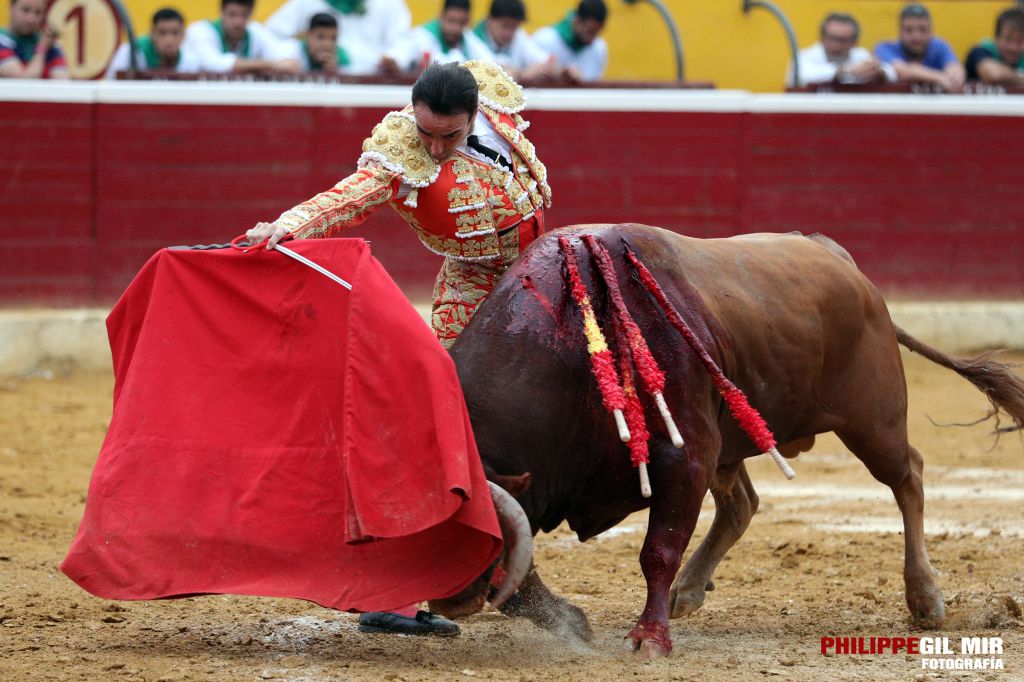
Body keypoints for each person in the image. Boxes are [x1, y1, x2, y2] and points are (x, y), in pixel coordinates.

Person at [245, 61, 550, 635]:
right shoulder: (399, 151)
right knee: (440, 414)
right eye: (425, 133)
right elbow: (350, 196)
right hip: (473, 285)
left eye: (448, 137)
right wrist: (289, 225)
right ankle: (400, 592)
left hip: (541, 272)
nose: (433, 149)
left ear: (476, 115)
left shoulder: (492, 99)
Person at [266, 0, 410, 75]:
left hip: (370, 89)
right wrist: (304, 55)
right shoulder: (307, 2)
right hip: (314, 88)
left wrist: (394, 61)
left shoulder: (389, 3)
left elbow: (402, 45)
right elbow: (271, 37)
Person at [184, 0, 300, 75]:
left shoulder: (255, 30)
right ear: (221, 13)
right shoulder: (200, 30)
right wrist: (270, 65)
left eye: (244, 15)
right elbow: (213, 64)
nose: (238, 22)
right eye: (232, 14)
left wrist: (283, 64)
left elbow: (286, 59)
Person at [874, 3, 964, 92]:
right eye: (909, 30)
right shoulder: (885, 48)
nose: (916, 37)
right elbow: (901, 70)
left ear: (931, 31)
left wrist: (955, 77)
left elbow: (954, 66)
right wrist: (940, 78)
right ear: (900, 31)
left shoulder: (940, 46)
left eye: (922, 29)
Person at [787, 12, 895, 87]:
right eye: (832, 38)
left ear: (854, 43)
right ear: (822, 38)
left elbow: (892, 72)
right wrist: (846, 71)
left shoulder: (860, 55)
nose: (836, 45)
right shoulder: (804, 57)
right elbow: (800, 76)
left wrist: (878, 72)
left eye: (843, 40)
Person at [384, 0, 493, 72]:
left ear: (468, 21)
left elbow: (489, 62)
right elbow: (444, 67)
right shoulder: (422, 36)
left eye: (461, 22)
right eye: (451, 21)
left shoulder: (467, 37)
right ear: (441, 16)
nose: (455, 28)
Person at [473, 0, 558, 82]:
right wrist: (523, 75)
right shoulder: (473, 40)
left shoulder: (519, 35)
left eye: (514, 27)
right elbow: (492, 75)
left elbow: (548, 62)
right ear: (490, 19)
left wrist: (544, 69)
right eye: (505, 25)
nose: (509, 33)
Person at [105, 8, 202, 79]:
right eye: (162, 33)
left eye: (175, 33)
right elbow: (112, 82)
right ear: (152, 34)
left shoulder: (191, 60)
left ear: (184, 34)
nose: (169, 39)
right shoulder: (131, 52)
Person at [532, 0, 608, 82]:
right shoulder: (544, 39)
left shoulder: (598, 47)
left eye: (597, 32)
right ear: (577, 21)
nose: (593, 38)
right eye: (590, 31)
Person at [0, 0, 69, 79]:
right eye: (25, 10)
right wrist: (41, 49)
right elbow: (23, 82)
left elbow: (62, 81)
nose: (31, 19)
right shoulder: (2, 39)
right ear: (11, 8)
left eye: (38, 12)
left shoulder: (48, 42)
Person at [964, 7, 1024, 86]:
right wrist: (1020, 79)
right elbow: (993, 73)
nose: (1013, 47)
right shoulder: (980, 52)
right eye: (1008, 39)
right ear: (997, 38)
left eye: (1019, 41)